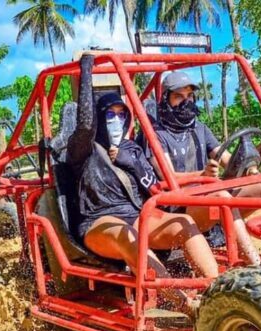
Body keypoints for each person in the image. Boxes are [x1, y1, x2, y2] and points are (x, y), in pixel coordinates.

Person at [67, 54, 219, 290]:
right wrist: (86, 69)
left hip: (138, 215)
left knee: (184, 222)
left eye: (121, 115)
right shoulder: (83, 149)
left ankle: (217, 291)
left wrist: (134, 163)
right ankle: (185, 303)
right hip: (99, 222)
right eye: (110, 115)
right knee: (130, 237)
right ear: (100, 118)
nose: (116, 120)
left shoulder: (131, 148)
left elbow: (153, 187)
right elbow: (85, 125)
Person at [138, 72, 261, 264]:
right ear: (165, 99)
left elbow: (228, 160)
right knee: (222, 197)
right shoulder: (156, 135)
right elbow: (168, 176)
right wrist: (202, 174)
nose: (186, 102)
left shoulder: (199, 129)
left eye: (189, 96)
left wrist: (254, 154)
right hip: (175, 207)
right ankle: (257, 265)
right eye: (178, 97)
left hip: (203, 198)